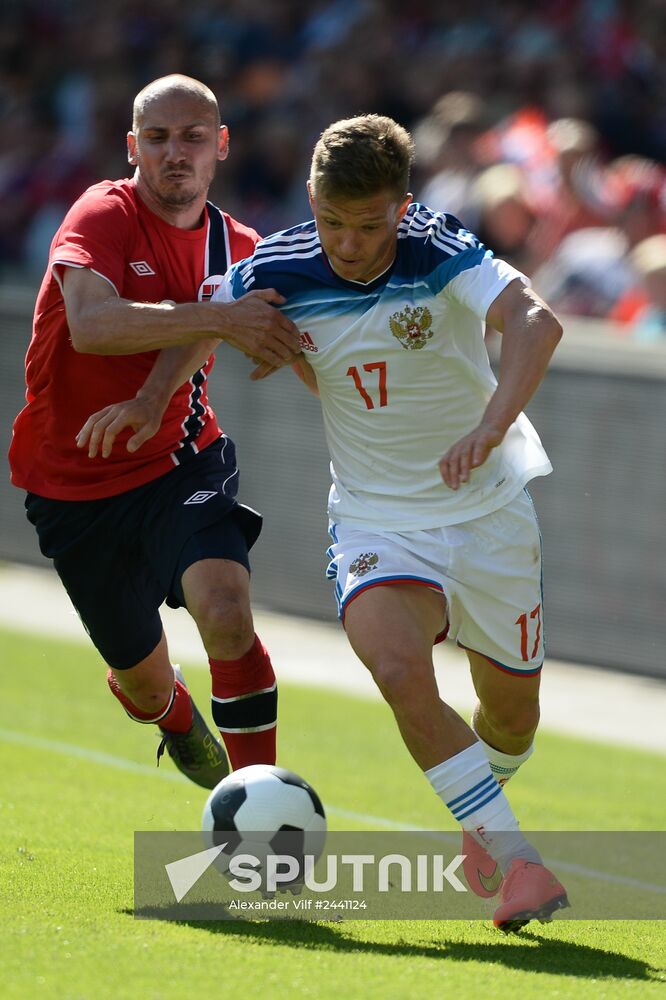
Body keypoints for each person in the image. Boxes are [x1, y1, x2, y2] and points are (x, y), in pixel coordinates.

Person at [80, 114, 568, 933]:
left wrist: (489, 425)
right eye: (335, 222)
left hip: (489, 514)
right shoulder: (277, 264)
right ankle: (516, 860)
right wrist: (146, 399)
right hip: (378, 519)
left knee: (513, 717)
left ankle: (484, 805)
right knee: (398, 667)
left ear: (402, 206)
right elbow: (208, 319)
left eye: (371, 224)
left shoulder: (439, 249)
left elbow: (535, 320)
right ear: (312, 202)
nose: (349, 243)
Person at [8, 75, 302, 790]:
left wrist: (152, 398)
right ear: (132, 146)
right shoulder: (101, 213)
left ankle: (257, 811)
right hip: (73, 482)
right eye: (160, 138)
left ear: (221, 146)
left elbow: (238, 315)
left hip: (180, 460)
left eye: (193, 137)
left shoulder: (239, 246)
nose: (176, 153)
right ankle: (170, 713)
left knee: (227, 609)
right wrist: (224, 320)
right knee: (143, 684)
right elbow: (93, 324)